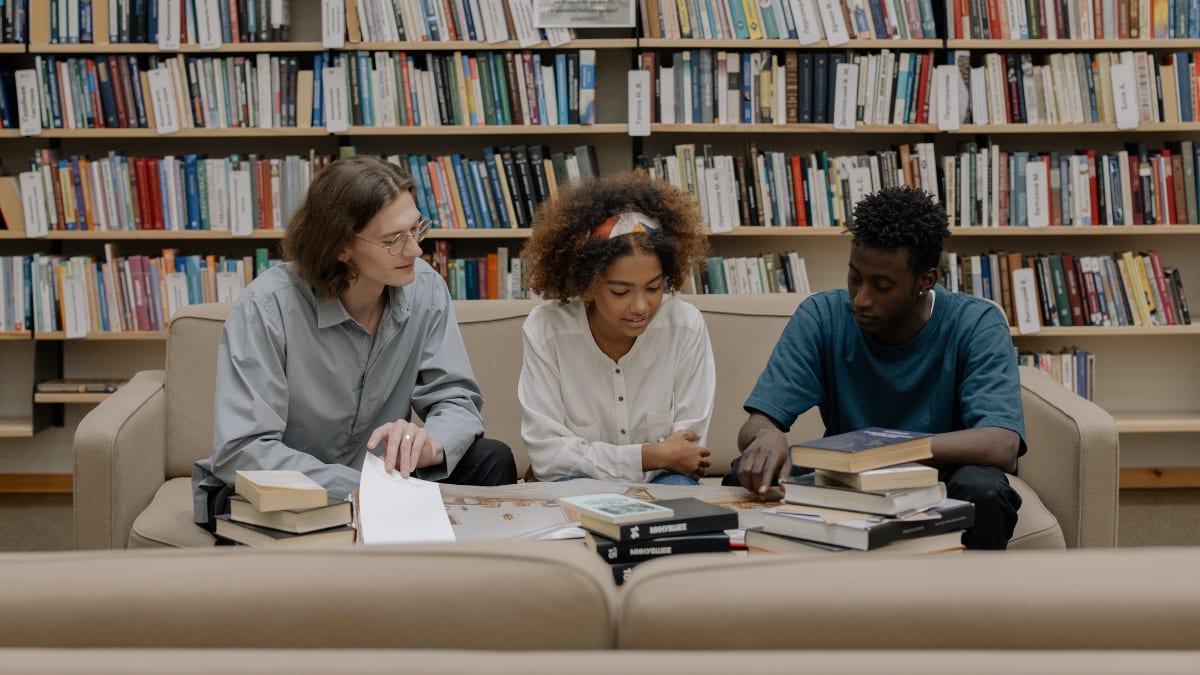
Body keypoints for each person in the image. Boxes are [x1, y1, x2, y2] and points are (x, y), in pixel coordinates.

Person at [193, 156, 516, 528]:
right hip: (290, 488)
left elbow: (456, 398)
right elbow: (243, 451)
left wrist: (430, 444)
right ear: (340, 247)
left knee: (492, 458)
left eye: (416, 230)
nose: (415, 251)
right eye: (394, 239)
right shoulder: (267, 308)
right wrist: (369, 489)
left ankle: (460, 579)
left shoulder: (424, 287)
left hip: (382, 478)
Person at [726, 186, 1025, 550]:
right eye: (855, 277)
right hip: (847, 476)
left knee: (985, 490)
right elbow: (756, 424)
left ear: (925, 281)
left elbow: (1001, 444)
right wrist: (768, 435)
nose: (861, 299)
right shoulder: (821, 317)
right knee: (745, 471)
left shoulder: (976, 323)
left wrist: (886, 450)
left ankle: (973, 605)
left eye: (882, 286)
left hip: (941, 476)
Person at [518, 171, 715, 485]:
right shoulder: (546, 329)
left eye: (654, 288)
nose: (640, 306)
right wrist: (651, 455)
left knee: (680, 493)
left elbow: (687, 454)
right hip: (577, 484)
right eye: (621, 292)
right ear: (589, 284)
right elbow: (547, 457)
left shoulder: (685, 326)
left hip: (665, 480)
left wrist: (661, 458)